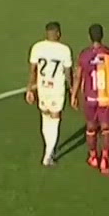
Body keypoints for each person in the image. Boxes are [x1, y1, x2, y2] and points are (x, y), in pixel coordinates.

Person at [71, 23, 109, 176]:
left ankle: (93, 157)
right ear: (102, 35)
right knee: (106, 129)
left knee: (91, 128)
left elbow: (78, 76)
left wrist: (74, 95)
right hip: (107, 98)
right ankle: (105, 159)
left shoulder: (84, 55)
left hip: (90, 98)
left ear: (89, 37)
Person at [25, 21, 72, 167]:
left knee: (45, 116)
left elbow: (32, 70)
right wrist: (72, 89)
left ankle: (48, 149)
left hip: (42, 87)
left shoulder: (37, 47)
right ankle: (48, 155)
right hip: (56, 89)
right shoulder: (64, 50)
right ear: (57, 33)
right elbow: (68, 73)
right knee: (55, 117)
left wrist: (30, 89)